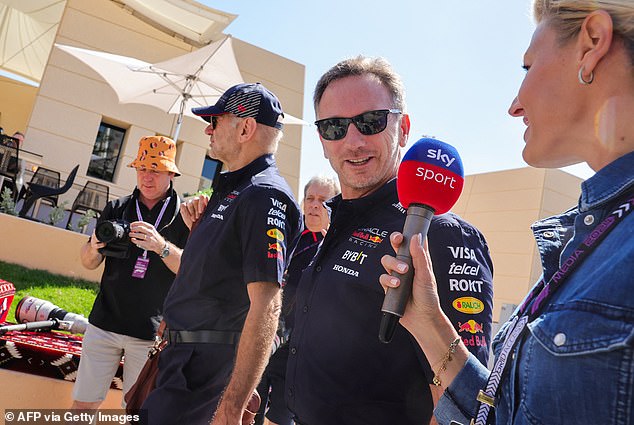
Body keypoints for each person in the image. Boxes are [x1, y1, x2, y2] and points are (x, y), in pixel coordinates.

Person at [379, 1, 634, 424]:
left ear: (592, 43)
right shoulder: (596, 231)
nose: (514, 106)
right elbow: (504, 413)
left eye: (527, 67)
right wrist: (428, 322)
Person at [284, 56, 494, 425]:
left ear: (404, 128)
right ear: (321, 139)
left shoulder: (441, 234)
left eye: (370, 122)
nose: (353, 141)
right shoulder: (336, 224)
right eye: (334, 127)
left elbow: (463, 399)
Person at [141, 83, 302, 425]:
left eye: (215, 120)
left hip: (204, 371)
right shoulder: (235, 188)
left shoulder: (263, 196)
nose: (207, 129)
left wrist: (231, 407)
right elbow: (211, 277)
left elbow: (267, 305)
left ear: (245, 128)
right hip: (181, 361)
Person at [71, 135, 189, 410]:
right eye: (142, 169)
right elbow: (89, 263)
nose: (147, 177)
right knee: (81, 408)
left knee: (138, 414)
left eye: (156, 170)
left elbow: (189, 270)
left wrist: (161, 246)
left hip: (149, 335)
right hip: (103, 324)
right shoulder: (117, 208)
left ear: (171, 173)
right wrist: (93, 246)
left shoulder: (183, 216)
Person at [255, 175, 340, 425]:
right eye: (310, 198)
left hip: (298, 355)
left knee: (278, 420)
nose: (314, 205)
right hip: (261, 340)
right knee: (247, 413)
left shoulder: (335, 248)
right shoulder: (284, 234)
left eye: (323, 201)